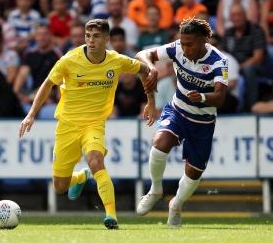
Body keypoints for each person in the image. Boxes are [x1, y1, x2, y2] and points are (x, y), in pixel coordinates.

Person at [18, 19, 157, 229]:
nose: (91, 41)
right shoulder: (69, 60)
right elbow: (47, 84)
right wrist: (31, 114)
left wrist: (151, 102)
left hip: (94, 124)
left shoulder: (116, 60)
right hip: (67, 125)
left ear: (106, 40)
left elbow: (145, 70)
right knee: (59, 186)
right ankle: (80, 177)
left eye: (96, 36)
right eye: (88, 36)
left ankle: (111, 216)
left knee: (96, 162)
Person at [135, 18, 228, 228]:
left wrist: (203, 98)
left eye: (190, 44)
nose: (185, 49)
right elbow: (143, 54)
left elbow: (220, 97)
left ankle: (175, 206)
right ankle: (155, 190)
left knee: (194, 173)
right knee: (159, 143)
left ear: (204, 40)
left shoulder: (218, 61)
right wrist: (151, 68)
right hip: (177, 110)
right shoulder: (177, 48)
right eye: (183, 43)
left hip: (203, 122)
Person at [221, 3, 268, 112]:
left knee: (249, 70)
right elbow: (223, 56)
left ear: (245, 15)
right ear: (230, 18)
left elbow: (258, 58)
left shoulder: (256, 30)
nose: (236, 18)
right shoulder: (228, 33)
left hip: (256, 68)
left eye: (239, 14)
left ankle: (252, 108)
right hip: (232, 68)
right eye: (233, 15)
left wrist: (238, 68)